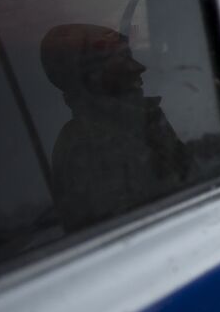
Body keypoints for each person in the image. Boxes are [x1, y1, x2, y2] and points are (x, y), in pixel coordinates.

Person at [39, 23, 191, 230]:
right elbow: (146, 231)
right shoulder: (90, 148)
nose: (140, 68)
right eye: (121, 59)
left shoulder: (138, 121)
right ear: (92, 79)